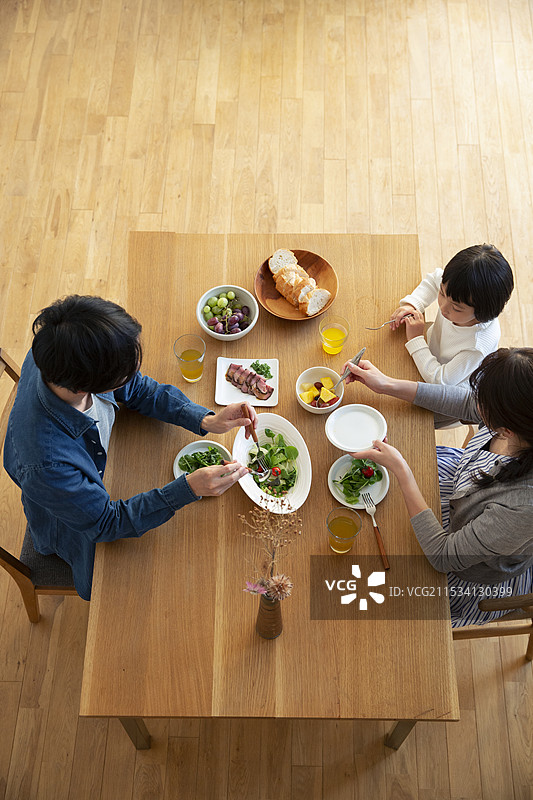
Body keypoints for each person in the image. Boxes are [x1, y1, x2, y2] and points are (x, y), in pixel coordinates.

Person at [4, 295, 256, 601]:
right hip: (74, 526)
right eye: (123, 372)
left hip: (105, 470)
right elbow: (106, 524)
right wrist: (189, 488)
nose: (133, 373)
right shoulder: (46, 465)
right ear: (86, 385)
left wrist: (207, 419)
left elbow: (135, 387)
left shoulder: (65, 352)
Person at [341, 348, 533, 627]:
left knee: (372, 595)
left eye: (488, 406)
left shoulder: (520, 508)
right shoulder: (521, 419)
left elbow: (443, 556)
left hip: (465, 568)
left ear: (508, 430)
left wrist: (402, 472)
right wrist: (387, 385)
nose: (479, 406)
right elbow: (469, 404)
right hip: (462, 489)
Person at [390, 244, 514, 390]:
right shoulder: (455, 287)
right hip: (430, 350)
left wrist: (416, 339)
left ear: (483, 313)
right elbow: (434, 279)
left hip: (451, 386)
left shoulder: (476, 346)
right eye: (442, 293)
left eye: (456, 308)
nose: (443, 307)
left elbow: (440, 381)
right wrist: (413, 304)